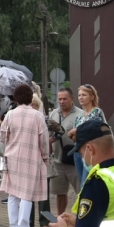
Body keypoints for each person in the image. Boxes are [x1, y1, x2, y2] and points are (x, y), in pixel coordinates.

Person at [0, 83, 49, 227]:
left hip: (11, 158)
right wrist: (45, 157)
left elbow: (2, 137)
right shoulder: (37, 116)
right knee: (27, 195)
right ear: (30, 97)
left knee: (13, 194)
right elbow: (44, 141)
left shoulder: (10, 115)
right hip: (31, 157)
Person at [48, 88, 83, 218]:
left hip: (74, 160)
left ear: (72, 98)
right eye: (59, 99)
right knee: (60, 192)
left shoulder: (80, 114)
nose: (61, 101)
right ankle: (60, 217)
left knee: (81, 191)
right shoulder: (53, 114)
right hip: (57, 160)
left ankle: (82, 218)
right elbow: (49, 136)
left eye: (64, 99)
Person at [68, 84, 104, 187]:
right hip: (78, 152)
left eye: (84, 95)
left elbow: (93, 132)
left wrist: (76, 131)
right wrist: (78, 132)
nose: (81, 97)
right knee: (82, 184)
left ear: (92, 96)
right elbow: (73, 136)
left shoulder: (97, 112)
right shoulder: (79, 116)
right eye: (79, 95)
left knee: (86, 183)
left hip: (90, 152)